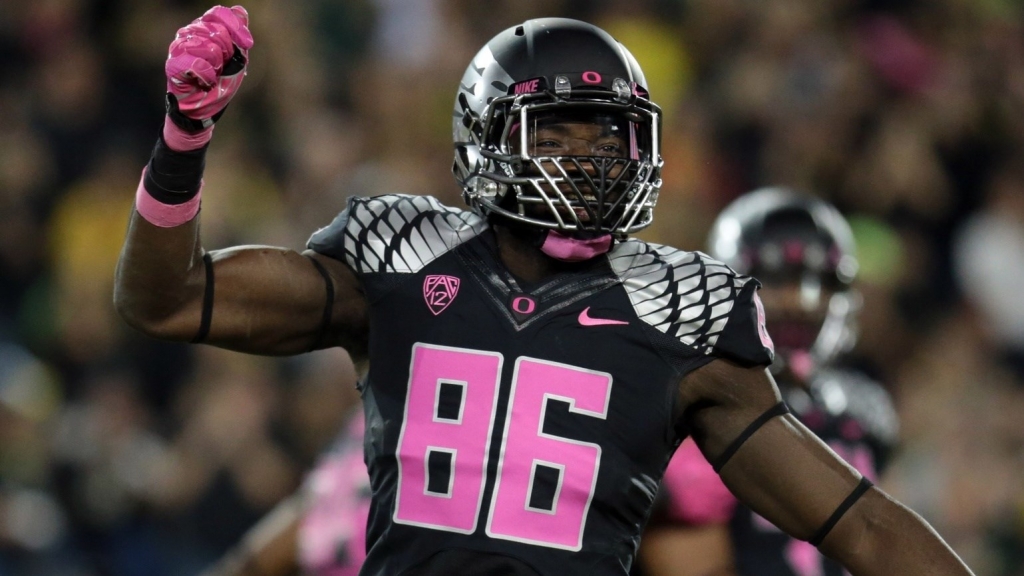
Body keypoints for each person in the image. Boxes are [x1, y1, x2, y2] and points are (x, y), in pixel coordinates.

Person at [113, 6, 974, 575]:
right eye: (557, 132)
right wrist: (185, 138)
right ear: (489, 139)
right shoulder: (399, 262)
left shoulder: (677, 314)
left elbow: (858, 523)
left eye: (610, 138)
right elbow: (166, 299)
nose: (592, 159)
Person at [637, 188, 900, 576]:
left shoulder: (864, 409)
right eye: (776, 281)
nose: (797, 301)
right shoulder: (687, 406)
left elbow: (881, 542)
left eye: (816, 282)